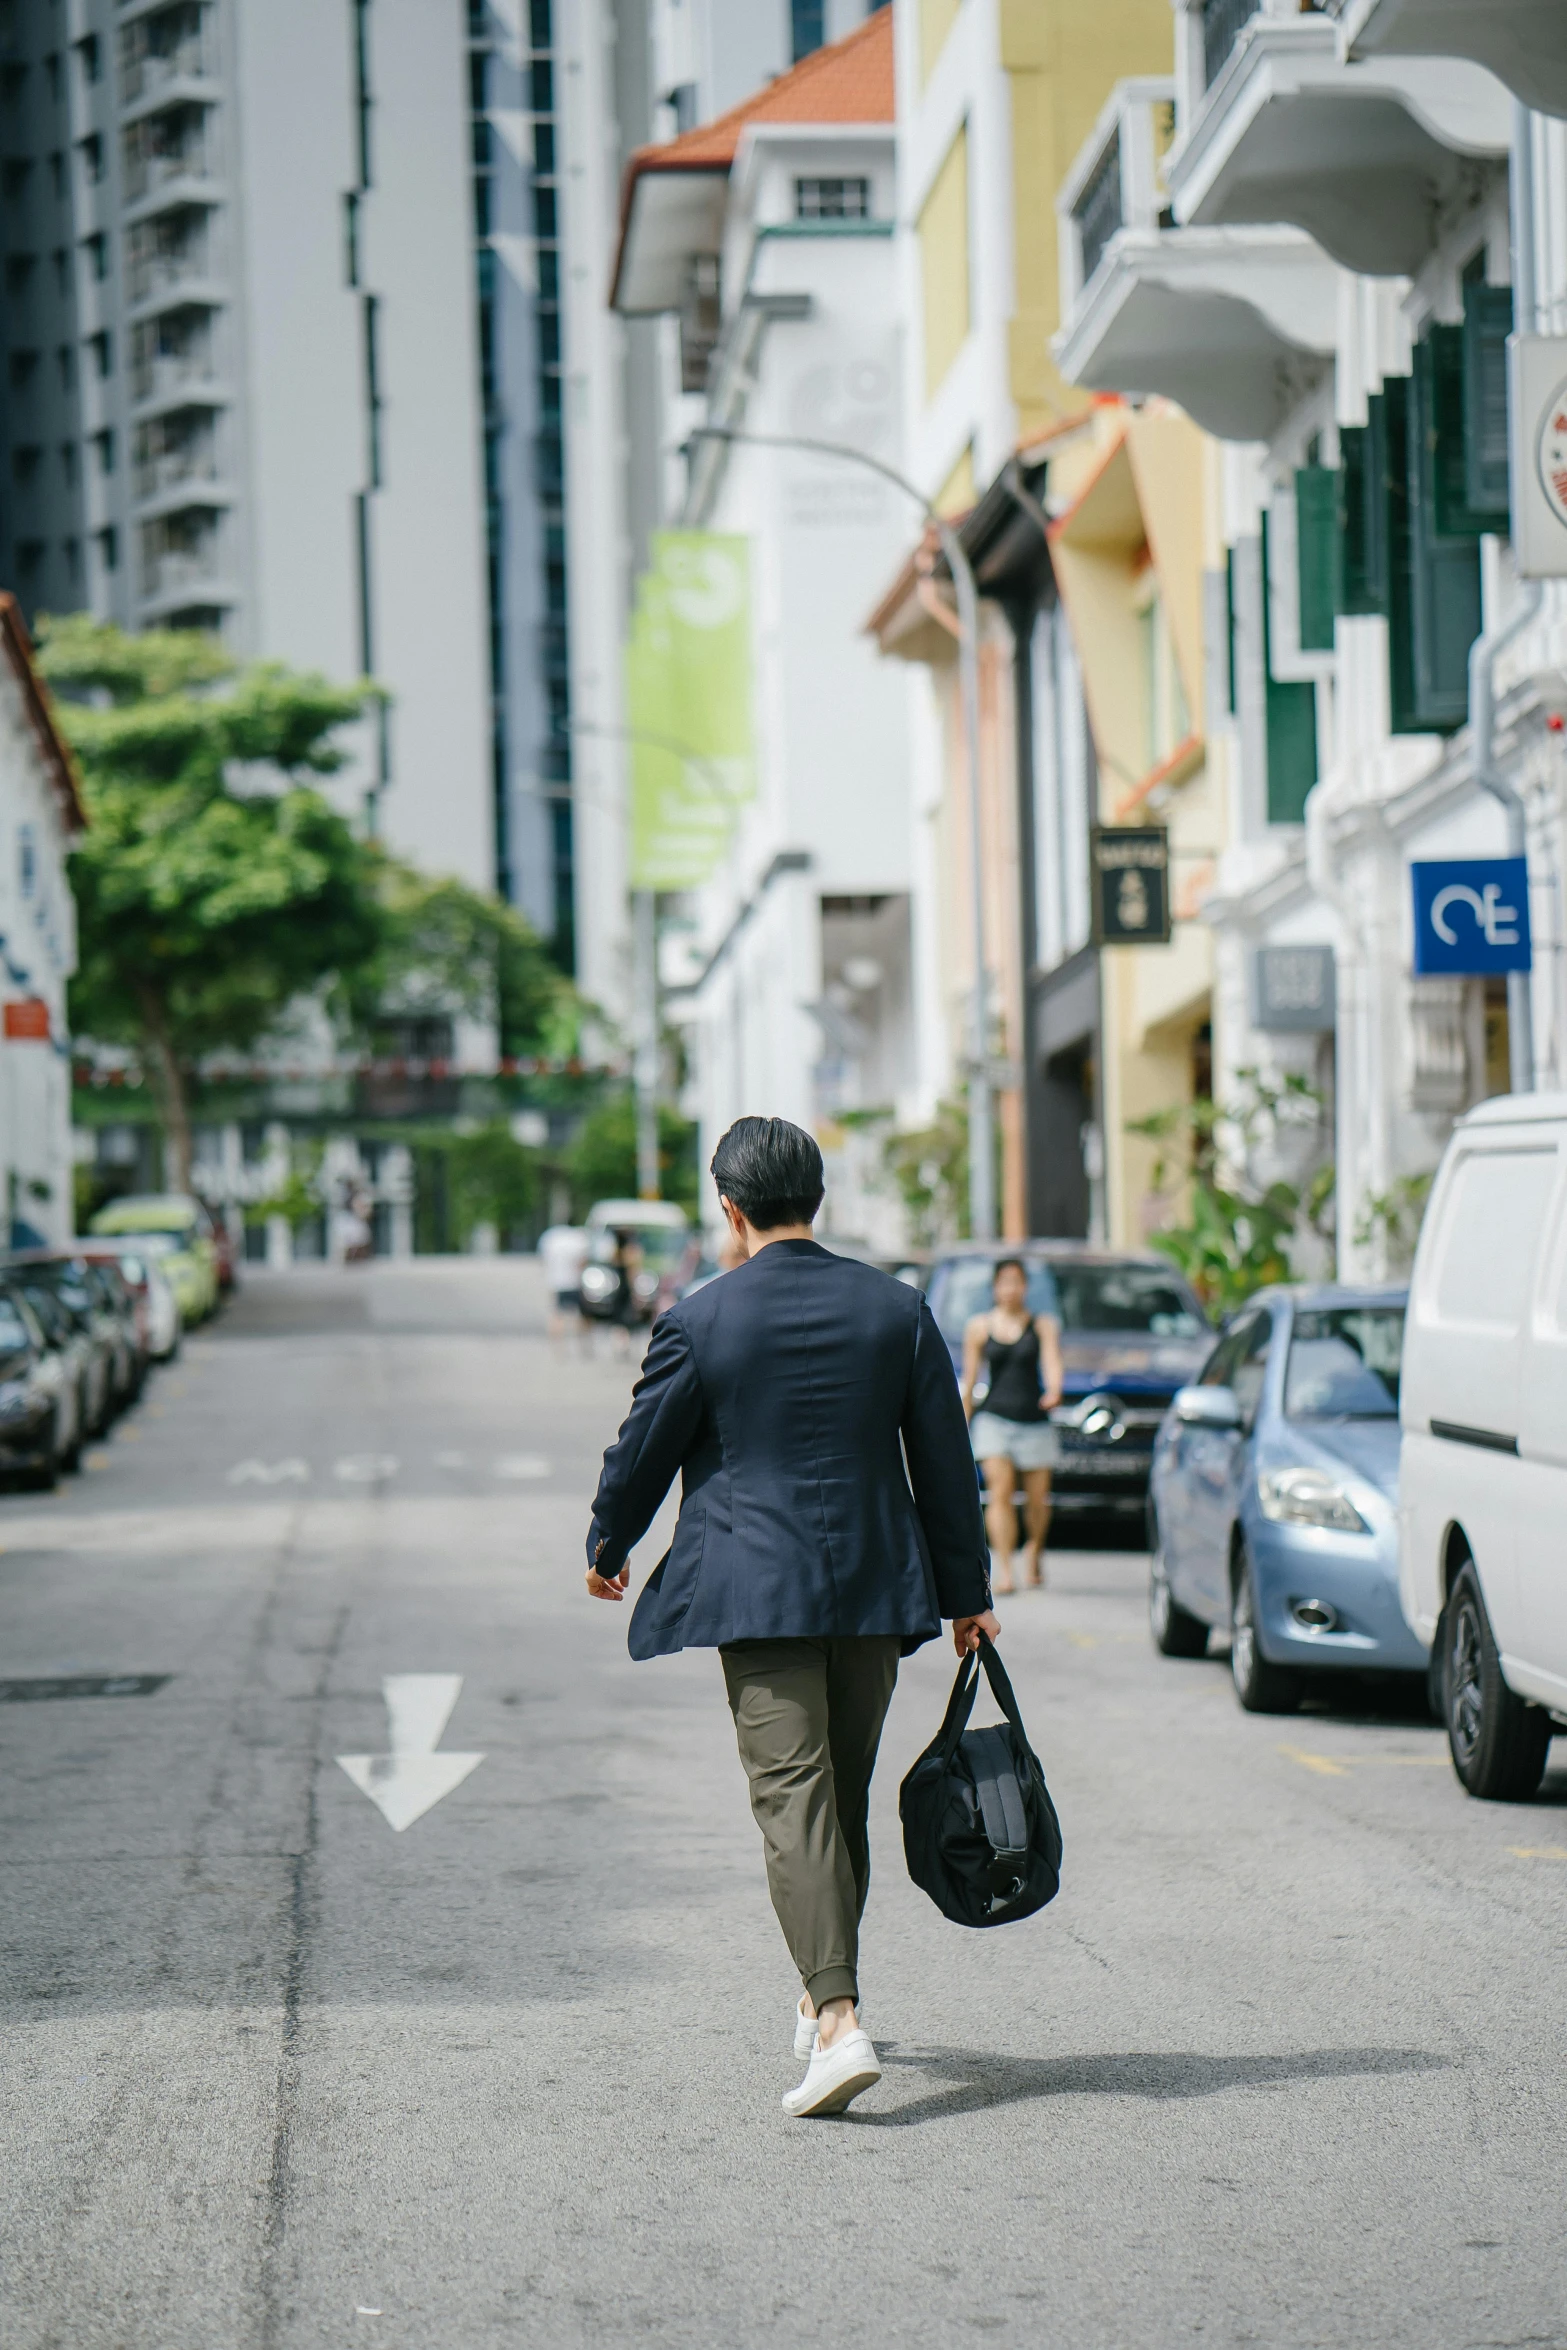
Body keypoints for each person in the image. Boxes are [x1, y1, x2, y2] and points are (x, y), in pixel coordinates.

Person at [585, 1115, 998, 2119]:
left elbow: (644, 1446)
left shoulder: (703, 1319)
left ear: (728, 1208)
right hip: (873, 1586)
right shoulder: (896, 1309)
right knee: (834, 1795)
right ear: (817, 1199)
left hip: (757, 1591)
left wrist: (609, 1542)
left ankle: (838, 2020)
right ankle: (820, 1990)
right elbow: (943, 1463)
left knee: (791, 1796)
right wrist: (967, 1594)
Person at [961, 1257, 1064, 1596]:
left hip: (1033, 1419)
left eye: (1016, 1281)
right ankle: (1004, 1568)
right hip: (994, 1418)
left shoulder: (1042, 1324)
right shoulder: (979, 1327)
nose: (1010, 1288)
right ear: (995, 1287)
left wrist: (1054, 1390)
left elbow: (1051, 1361)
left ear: (1025, 1287)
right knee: (1000, 1492)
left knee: (1037, 1500)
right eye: (1004, 1281)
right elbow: (971, 1379)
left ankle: (1034, 1548)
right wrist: (963, 1422)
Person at [537, 1221, 588, 1346]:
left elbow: (544, 1260)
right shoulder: (579, 1239)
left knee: (557, 1315)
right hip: (575, 1282)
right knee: (581, 1315)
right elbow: (582, 1262)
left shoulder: (551, 1238)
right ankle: (583, 1344)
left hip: (557, 1282)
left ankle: (558, 1345)